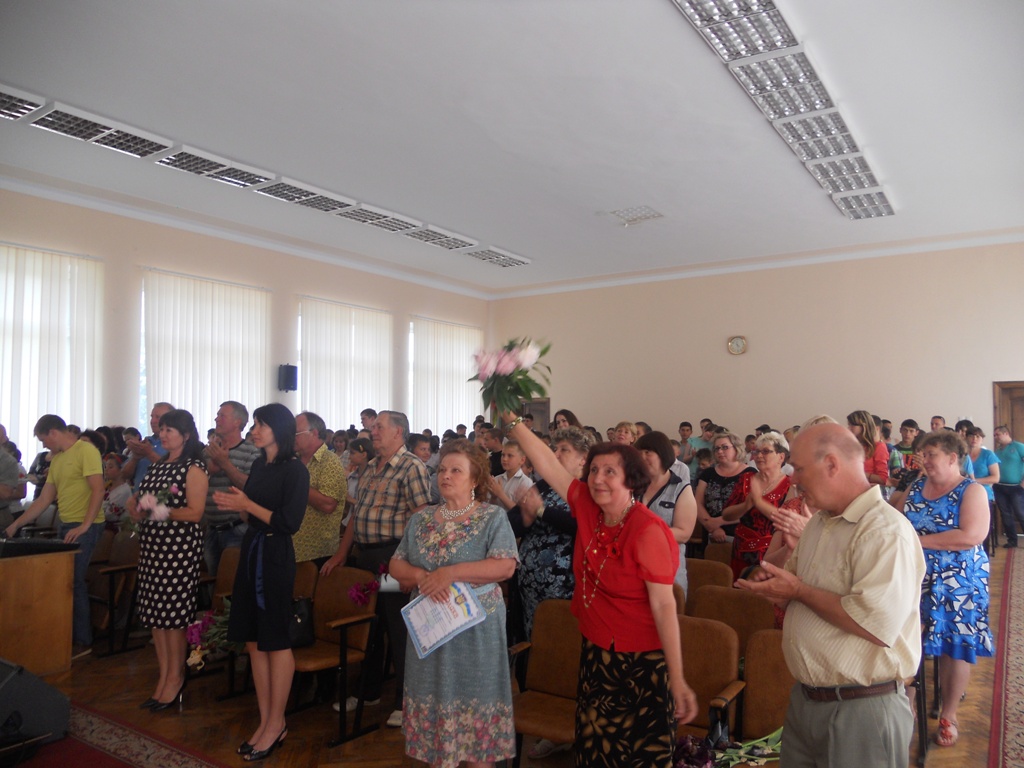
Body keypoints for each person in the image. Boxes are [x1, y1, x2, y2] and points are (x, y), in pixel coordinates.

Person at [505, 414, 698, 766]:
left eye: (610, 471)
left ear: (631, 479)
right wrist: (513, 420)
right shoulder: (588, 507)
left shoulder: (647, 530)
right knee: (595, 752)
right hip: (597, 654)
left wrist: (678, 677)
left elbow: (664, 607)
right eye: (593, 470)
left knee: (638, 758)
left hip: (641, 664)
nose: (597, 478)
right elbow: (547, 462)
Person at [736, 423, 925, 768]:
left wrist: (798, 590)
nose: (794, 479)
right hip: (807, 700)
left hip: (862, 709)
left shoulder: (884, 530)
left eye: (799, 468)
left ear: (832, 464)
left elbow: (873, 624)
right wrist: (775, 588)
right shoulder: (820, 523)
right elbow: (795, 590)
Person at [389, 439, 519, 768]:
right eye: (443, 469)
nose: (446, 475)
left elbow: (505, 567)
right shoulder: (421, 520)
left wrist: (449, 573)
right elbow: (396, 565)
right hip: (429, 630)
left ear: (475, 478)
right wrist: (422, 576)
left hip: (475, 632)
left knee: (476, 727)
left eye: (456, 470)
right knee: (435, 719)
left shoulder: (492, 517)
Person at [320, 410, 431, 727]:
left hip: (394, 556)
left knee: (398, 630)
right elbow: (357, 515)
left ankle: (406, 701)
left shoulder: (411, 466)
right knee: (368, 627)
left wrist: (410, 566)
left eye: (380, 427)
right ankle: (368, 691)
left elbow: (421, 519)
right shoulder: (369, 467)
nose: (373, 431)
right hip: (365, 557)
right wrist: (342, 553)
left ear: (398, 432)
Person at [216, 403, 309, 762]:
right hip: (252, 548)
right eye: (254, 424)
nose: (254, 431)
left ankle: (277, 722)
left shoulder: (295, 470)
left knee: (275, 639)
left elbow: (288, 522)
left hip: (274, 556)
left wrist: (248, 506)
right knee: (254, 641)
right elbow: (251, 511)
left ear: (279, 430)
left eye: (261, 424)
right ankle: (266, 719)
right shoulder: (258, 465)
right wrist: (236, 506)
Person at [901, 430, 993, 747]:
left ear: (953, 458)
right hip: (916, 575)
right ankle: (908, 701)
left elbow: (971, 536)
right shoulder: (916, 486)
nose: (924, 460)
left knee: (955, 646)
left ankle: (949, 714)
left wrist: (918, 542)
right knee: (908, 638)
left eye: (931, 455)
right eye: (922, 455)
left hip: (959, 580)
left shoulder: (971, 490)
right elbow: (897, 521)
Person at [127, 409, 209, 711]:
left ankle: (176, 677)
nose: (162, 435)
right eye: (161, 430)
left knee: (173, 618)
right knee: (156, 617)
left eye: (168, 431)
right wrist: (137, 507)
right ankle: (163, 676)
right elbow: (143, 501)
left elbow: (195, 512)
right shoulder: (159, 465)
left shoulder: (193, 467)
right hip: (153, 548)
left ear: (185, 435)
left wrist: (164, 511)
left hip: (178, 551)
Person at [5, 415, 105, 659]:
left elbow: (98, 489)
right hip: (67, 524)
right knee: (63, 581)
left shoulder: (86, 451)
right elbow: (44, 499)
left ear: (53, 432)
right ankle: (62, 636)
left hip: (86, 525)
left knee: (74, 580)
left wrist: (85, 525)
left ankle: (82, 641)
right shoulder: (58, 459)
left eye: (43, 440)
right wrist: (16, 524)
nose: (43, 445)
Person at [203, 400, 261, 577]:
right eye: (217, 415)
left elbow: (250, 488)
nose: (216, 419)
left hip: (236, 531)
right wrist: (209, 470)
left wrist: (225, 464)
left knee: (232, 583)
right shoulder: (207, 452)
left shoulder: (252, 452)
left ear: (237, 422)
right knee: (212, 583)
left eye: (222, 416)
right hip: (211, 529)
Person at [723, 431, 791, 580]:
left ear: (781, 457)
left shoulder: (790, 484)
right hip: (741, 550)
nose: (759, 456)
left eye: (765, 451)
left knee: (763, 593)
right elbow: (726, 515)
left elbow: (786, 520)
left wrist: (758, 502)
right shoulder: (746, 478)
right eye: (756, 451)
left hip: (771, 554)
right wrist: (745, 505)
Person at [635, 431, 697, 594]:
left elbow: (683, 533)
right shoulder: (633, 485)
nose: (642, 457)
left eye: (648, 452)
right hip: (634, 567)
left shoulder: (680, 488)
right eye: (639, 453)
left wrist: (643, 534)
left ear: (663, 454)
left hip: (667, 569)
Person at [291, 411, 347, 568]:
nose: (291, 437)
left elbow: (328, 505)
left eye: (296, 433)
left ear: (314, 433)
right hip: (289, 546)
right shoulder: (292, 461)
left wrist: (294, 483)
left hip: (315, 551)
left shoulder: (330, 462)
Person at [695, 431, 755, 545]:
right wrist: (712, 527)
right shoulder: (708, 473)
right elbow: (698, 502)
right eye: (717, 448)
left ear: (736, 448)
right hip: (709, 530)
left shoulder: (750, 473)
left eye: (725, 447)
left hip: (739, 532)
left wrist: (719, 521)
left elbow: (751, 507)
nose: (720, 451)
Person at [122, 402, 174, 487]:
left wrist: (149, 453)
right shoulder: (145, 442)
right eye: (152, 417)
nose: (153, 421)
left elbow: (171, 471)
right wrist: (135, 458)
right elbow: (124, 475)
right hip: (138, 493)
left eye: (158, 417)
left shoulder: (175, 445)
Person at [994, 426, 1024, 547]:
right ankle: (1012, 540)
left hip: (1016, 487)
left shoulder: (1018, 447)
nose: (996, 437)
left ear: (1006, 433)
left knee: (1020, 513)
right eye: (995, 435)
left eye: (998, 435)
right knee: (1005, 514)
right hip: (999, 487)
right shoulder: (997, 451)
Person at [847, 409, 889, 488]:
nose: (849, 428)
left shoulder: (879, 447)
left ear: (864, 426)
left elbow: (882, 479)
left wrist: (860, 474)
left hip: (867, 489)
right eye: (849, 425)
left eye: (852, 425)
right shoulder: (851, 446)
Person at [489, 439, 533, 511]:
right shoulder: (497, 479)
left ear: (522, 460)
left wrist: (500, 494)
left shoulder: (526, 482)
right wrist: (493, 497)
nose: (504, 459)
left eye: (510, 456)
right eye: (503, 455)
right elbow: (491, 509)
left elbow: (521, 512)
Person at [101, 453, 132, 530]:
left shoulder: (123, 491)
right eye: (106, 467)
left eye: (110, 467)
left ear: (121, 469)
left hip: (114, 528)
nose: (106, 469)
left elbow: (110, 515)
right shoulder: (107, 486)